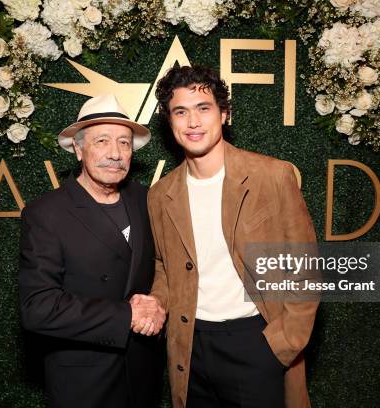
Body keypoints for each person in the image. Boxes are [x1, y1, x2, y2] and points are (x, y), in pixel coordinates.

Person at [133, 66, 319, 408]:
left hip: (256, 342)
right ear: (169, 121)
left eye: (203, 108)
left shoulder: (271, 176)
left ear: (224, 113)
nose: (193, 122)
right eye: (181, 111)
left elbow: (304, 265)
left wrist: (281, 344)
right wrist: (157, 301)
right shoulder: (160, 194)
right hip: (190, 347)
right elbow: (164, 267)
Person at [18, 94, 165, 408]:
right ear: (78, 148)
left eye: (124, 143)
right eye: (102, 141)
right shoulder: (46, 213)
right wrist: (125, 315)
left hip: (142, 375)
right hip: (84, 384)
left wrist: (158, 303)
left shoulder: (145, 199)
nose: (115, 154)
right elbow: (37, 307)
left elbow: (165, 266)